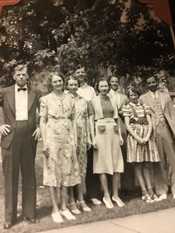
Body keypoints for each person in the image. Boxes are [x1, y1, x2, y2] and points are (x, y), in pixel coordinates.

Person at [0, 64, 41, 229]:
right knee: (10, 176)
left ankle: (29, 214)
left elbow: (44, 111)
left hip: (29, 136)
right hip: (10, 136)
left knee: (29, 175)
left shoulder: (35, 92)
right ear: (14, 75)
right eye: (19, 74)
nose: (22, 77)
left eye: (24, 74)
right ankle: (10, 218)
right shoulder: (4, 91)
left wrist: (40, 126)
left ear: (28, 76)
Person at [39, 72, 81, 223]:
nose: (58, 83)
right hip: (52, 138)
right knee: (52, 173)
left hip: (67, 137)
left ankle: (64, 207)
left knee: (66, 173)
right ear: (51, 83)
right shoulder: (45, 99)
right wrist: (45, 142)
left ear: (63, 82)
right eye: (55, 81)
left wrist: (74, 138)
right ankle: (55, 209)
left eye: (60, 81)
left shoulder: (70, 98)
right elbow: (42, 121)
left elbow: (74, 118)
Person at [89, 77, 124, 209]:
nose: (104, 88)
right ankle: (106, 196)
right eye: (102, 86)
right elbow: (91, 121)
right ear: (98, 88)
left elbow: (117, 119)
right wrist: (93, 138)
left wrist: (120, 136)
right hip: (100, 131)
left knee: (116, 164)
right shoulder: (93, 101)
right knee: (102, 164)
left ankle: (115, 194)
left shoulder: (113, 100)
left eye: (106, 86)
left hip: (113, 131)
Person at [140, 75, 175, 200]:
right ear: (146, 84)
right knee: (158, 161)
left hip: (166, 129)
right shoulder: (142, 98)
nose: (151, 84)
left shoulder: (165, 96)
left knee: (172, 160)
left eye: (153, 82)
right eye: (149, 83)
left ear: (157, 82)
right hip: (153, 132)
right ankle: (161, 190)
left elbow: (172, 113)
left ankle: (174, 188)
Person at [123, 86, 160, 203]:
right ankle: (144, 191)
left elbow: (149, 122)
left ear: (138, 95)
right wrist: (138, 138)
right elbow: (127, 125)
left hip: (146, 137)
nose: (133, 97)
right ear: (128, 97)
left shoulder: (144, 106)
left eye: (135, 95)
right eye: (131, 96)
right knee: (138, 165)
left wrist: (147, 136)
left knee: (146, 165)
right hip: (135, 138)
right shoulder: (127, 107)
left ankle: (150, 190)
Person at [73, 65, 102, 205]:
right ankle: (76, 197)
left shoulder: (91, 90)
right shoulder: (70, 89)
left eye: (82, 72)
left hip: (88, 128)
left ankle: (93, 194)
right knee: (75, 163)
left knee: (90, 162)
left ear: (85, 74)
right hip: (73, 132)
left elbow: (93, 110)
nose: (80, 74)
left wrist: (92, 133)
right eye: (77, 72)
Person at [66, 76, 91, 214]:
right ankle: (71, 200)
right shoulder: (64, 99)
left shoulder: (83, 100)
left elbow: (86, 119)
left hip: (81, 138)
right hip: (68, 137)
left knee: (81, 168)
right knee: (70, 167)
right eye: (71, 85)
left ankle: (81, 199)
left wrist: (88, 136)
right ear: (67, 85)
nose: (74, 87)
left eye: (75, 84)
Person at [108, 76, 135, 191]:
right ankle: (110, 188)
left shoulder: (123, 97)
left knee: (125, 154)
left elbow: (130, 110)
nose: (114, 83)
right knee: (111, 156)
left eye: (116, 81)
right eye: (112, 82)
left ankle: (127, 186)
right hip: (109, 125)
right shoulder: (104, 96)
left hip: (122, 125)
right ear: (109, 83)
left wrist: (123, 112)